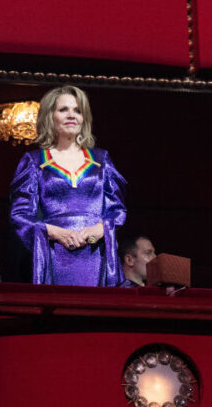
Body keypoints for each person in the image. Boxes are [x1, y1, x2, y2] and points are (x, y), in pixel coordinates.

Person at [10, 85, 127, 286]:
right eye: (63, 110)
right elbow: (20, 216)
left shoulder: (102, 159)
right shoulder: (34, 161)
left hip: (97, 255)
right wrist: (54, 232)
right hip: (55, 255)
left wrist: (100, 229)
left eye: (77, 110)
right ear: (49, 116)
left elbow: (117, 211)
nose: (71, 115)